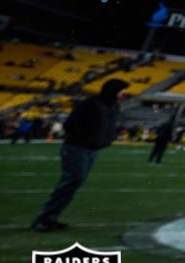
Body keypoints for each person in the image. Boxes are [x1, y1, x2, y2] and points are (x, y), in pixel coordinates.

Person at [31, 79, 130, 232]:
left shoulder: (112, 106)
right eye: (122, 90)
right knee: (71, 182)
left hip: (92, 150)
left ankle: (49, 218)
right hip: (77, 148)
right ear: (113, 90)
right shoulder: (90, 104)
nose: (125, 93)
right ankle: (45, 219)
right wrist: (88, 137)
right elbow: (70, 125)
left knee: (73, 183)